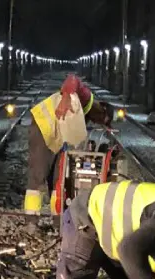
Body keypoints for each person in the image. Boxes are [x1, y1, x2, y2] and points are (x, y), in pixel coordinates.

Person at [25, 74, 111, 214]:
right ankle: (32, 220)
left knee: (58, 179)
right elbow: (72, 79)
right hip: (42, 126)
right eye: (103, 119)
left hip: (57, 136)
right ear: (102, 109)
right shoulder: (86, 97)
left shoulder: (85, 113)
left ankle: (57, 219)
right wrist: (65, 97)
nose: (98, 121)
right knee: (38, 174)